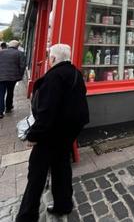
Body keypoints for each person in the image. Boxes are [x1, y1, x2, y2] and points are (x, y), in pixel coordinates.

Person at [16, 44, 89, 221]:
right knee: (62, 167)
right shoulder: (76, 73)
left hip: (51, 134)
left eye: (49, 57)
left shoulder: (54, 77)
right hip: (68, 132)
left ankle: (27, 215)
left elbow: (47, 111)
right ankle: (63, 204)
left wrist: (34, 135)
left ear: (54, 59)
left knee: (36, 173)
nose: (48, 60)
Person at [0, 40, 25, 117]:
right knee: (10, 92)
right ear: (17, 46)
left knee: (1, 93)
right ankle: (8, 107)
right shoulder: (20, 53)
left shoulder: (1, 52)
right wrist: (20, 75)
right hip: (13, 77)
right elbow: (22, 66)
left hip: (1, 76)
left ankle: (0, 112)